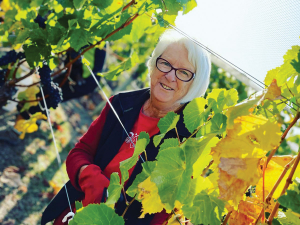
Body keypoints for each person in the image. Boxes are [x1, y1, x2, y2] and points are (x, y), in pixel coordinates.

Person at [41, 30, 211, 225]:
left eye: (183, 72)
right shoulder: (121, 103)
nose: (170, 76)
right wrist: (88, 176)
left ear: (195, 84)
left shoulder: (189, 141)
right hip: (75, 211)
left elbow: (162, 213)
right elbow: (80, 152)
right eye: (165, 63)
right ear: (154, 63)